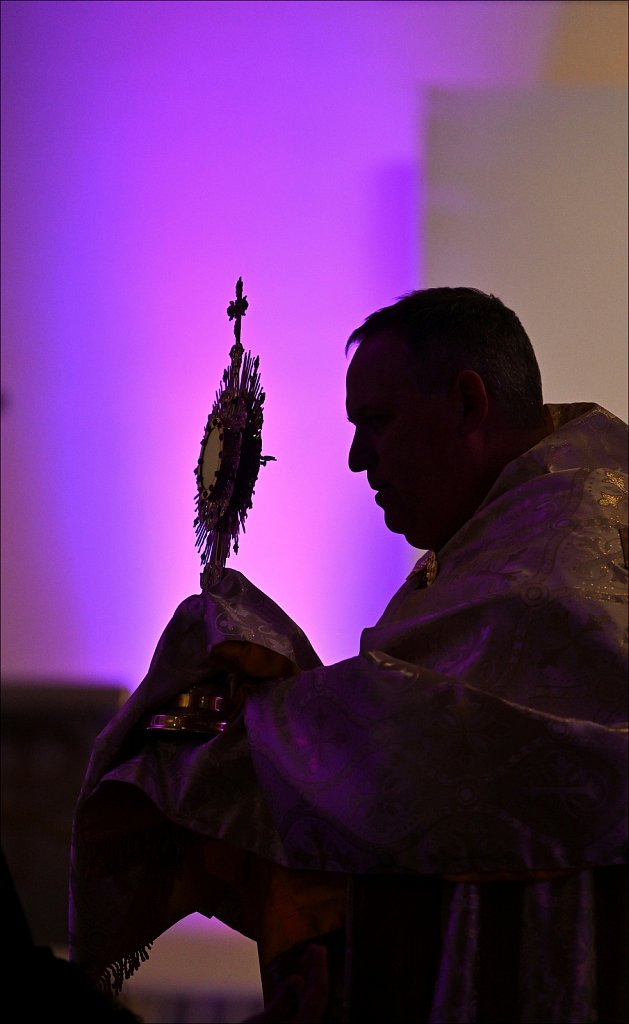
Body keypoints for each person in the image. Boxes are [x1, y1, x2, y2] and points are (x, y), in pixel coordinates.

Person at [69, 288, 628, 1023]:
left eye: (378, 424)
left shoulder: (556, 560)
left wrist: (213, 698)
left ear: (466, 403)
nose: (357, 459)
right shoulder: (525, 518)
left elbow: (394, 750)